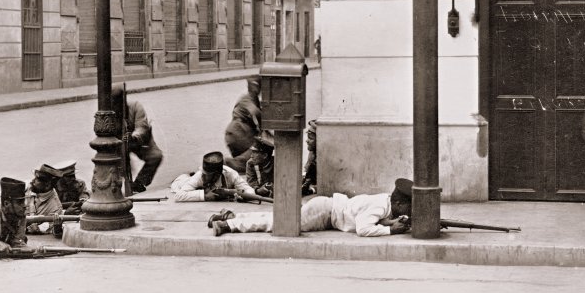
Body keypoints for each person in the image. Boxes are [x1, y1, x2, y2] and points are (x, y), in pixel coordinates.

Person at [210, 178, 413, 237]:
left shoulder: (384, 202)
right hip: (325, 213)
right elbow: (363, 228)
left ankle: (229, 217)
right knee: (278, 223)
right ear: (399, 203)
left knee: (280, 216)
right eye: (408, 208)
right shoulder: (379, 206)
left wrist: (389, 222)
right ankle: (228, 226)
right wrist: (389, 229)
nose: (409, 213)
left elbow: (367, 218)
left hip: (325, 208)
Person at [111, 85, 164, 194]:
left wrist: (133, 136)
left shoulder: (135, 106)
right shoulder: (109, 112)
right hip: (119, 144)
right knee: (119, 168)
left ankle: (139, 183)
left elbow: (142, 126)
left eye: (119, 102)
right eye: (115, 103)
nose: (117, 106)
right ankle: (117, 188)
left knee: (156, 156)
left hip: (138, 142)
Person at [173, 151, 255, 202]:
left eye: (207, 175)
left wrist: (242, 196)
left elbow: (249, 191)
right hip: (181, 181)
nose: (203, 176)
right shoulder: (199, 175)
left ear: (217, 175)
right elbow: (179, 195)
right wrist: (205, 196)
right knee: (183, 180)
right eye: (203, 173)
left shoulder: (231, 174)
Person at [224, 77, 262, 174]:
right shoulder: (247, 98)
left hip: (236, 132)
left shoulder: (253, 99)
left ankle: (226, 167)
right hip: (239, 130)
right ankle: (225, 163)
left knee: (245, 166)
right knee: (257, 150)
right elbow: (255, 112)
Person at [302, 119, 318, 195]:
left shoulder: (320, 161)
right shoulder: (312, 155)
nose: (307, 141)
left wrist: (312, 189)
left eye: (311, 138)